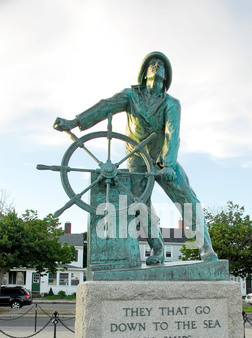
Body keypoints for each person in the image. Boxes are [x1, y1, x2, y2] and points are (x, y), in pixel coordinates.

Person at [54, 51, 217, 264]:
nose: (156, 66)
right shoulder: (131, 96)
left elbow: (172, 134)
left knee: (187, 199)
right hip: (138, 161)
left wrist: (168, 165)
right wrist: (74, 122)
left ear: (166, 76)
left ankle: (207, 249)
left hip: (163, 159)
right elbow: (104, 106)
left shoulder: (171, 103)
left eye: (161, 64)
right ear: (144, 72)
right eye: (152, 63)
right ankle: (157, 250)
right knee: (142, 206)